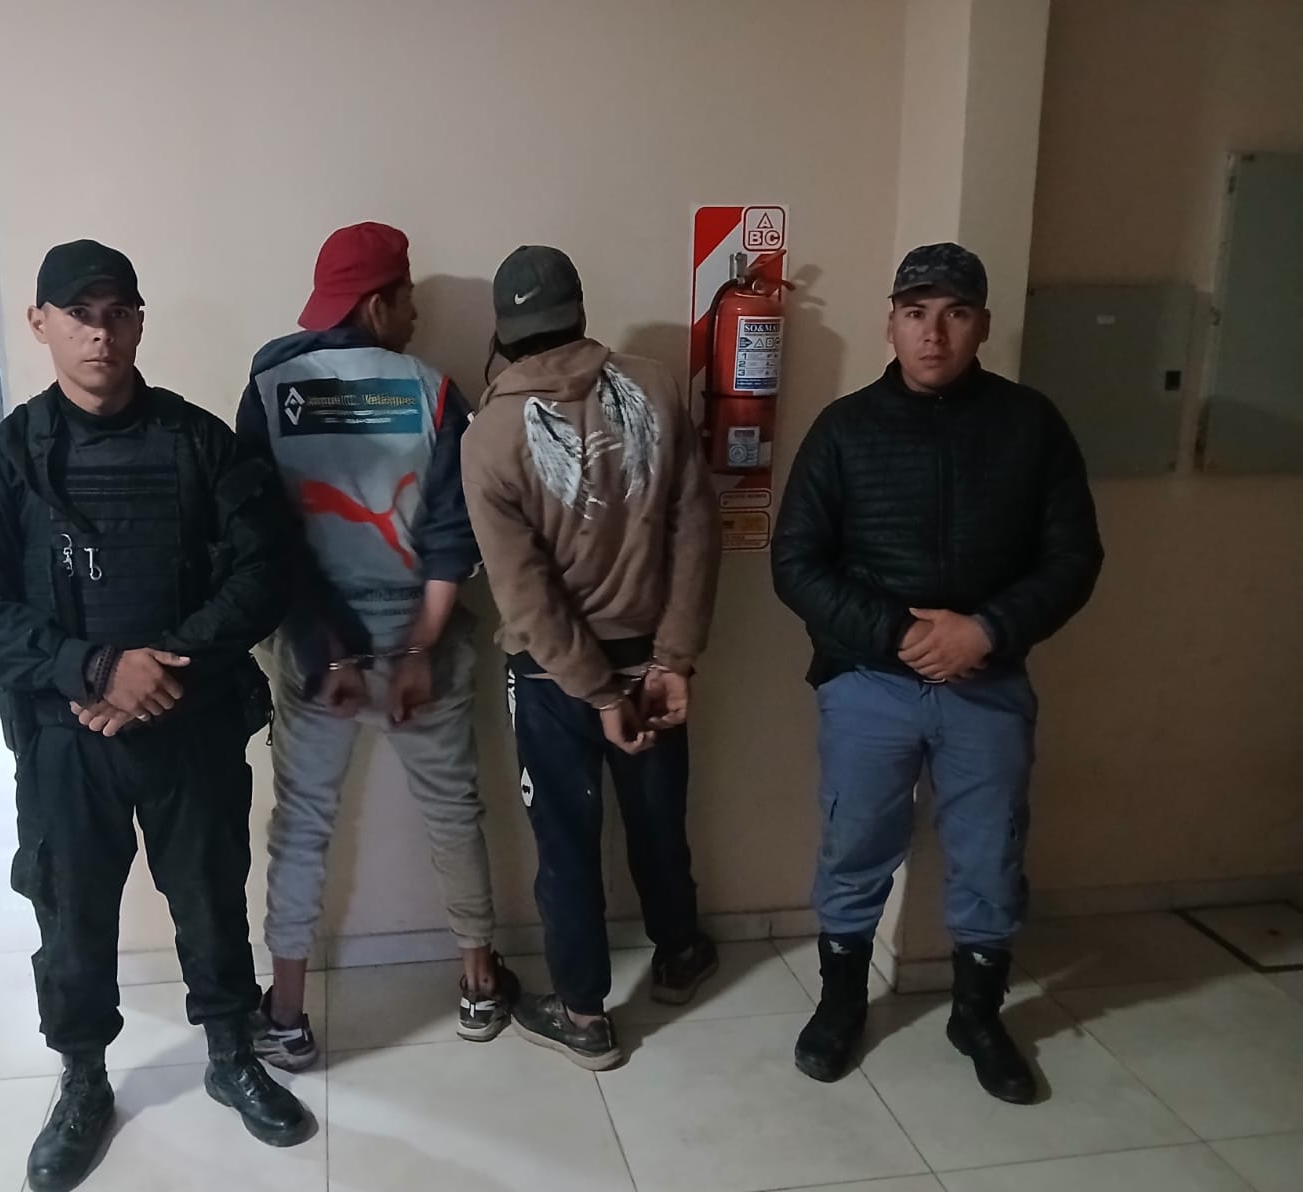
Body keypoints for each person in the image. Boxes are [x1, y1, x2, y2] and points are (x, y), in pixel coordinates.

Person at [0, 240, 311, 1192]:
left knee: (211, 894)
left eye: (116, 314)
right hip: (66, 737)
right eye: (78, 315)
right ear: (41, 324)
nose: (98, 334)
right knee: (70, 910)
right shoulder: (8, 460)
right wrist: (94, 667)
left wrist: (164, 663)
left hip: (190, 721)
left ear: (138, 322)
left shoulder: (199, 444)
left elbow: (265, 568)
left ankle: (231, 1055)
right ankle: (83, 1080)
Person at [771, 242, 1104, 1104]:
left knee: (990, 855)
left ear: (982, 326)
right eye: (916, 313)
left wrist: (986, 631)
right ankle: (841, 1004)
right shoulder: (844, 430)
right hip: (868, 681)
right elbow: (795, 564)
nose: (934, 333)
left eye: (955, 314)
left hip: (987, 683)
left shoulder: (1032, 426)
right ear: (890, 324)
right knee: (855, 847)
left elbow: (1073, 559)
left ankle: (977, 1017)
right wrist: (899, 634)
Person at [236, 221, 514, 1068]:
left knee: (302, 826)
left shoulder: (270, 387)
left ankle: (287, 1012)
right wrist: (418, 649)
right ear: (378, 303)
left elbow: (264, 537)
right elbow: (452, 535)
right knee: (453, 813)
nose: (417, 317)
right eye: (408, 301)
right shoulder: (436, 391)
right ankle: (478, 986)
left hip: (314, 652)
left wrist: (331, 651)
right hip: (417, 645)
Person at [461, 245, 722, 1071]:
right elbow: (696, 530)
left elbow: (524, 594)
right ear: (579, 311)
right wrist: (673, 659)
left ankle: (583, 1016)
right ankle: (679, 954)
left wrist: (597, 693)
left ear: (503, 334)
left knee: (566, 845)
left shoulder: (489, 435)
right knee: (658, 823)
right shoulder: (657, 387)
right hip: (651, 664)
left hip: (552, 681)